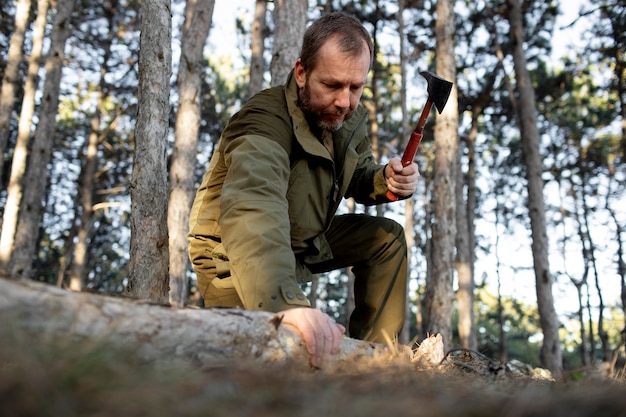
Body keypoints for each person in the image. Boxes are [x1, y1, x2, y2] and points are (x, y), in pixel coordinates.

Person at [188, 11, 420, 368]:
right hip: (234, 257)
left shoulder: (342, 117)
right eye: (332, 85)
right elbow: (254, 208)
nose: (345, 101)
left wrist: (385, 180)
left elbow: (356, 174)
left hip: (304, 238)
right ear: (301, 72)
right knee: (266, 364)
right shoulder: (263, 121)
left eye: (355, 87)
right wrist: (287, 305)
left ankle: (374, 365)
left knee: (386, 239)